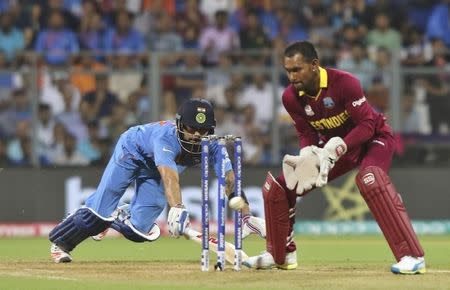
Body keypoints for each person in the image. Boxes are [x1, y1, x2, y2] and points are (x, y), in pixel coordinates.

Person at [243, 41, 425, 274]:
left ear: (314, 65)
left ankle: (411, 256)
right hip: (332, 149)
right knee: (279, 187)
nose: (292, 76)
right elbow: (305, 132)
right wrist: (308, 153)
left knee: (370, 179)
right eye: (288, 71)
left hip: (373, 138)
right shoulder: (290, 97)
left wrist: (337, 149)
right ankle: (281, 254)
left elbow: (367, 125)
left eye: (297, 69)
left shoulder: (345, 83)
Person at [49, 98, 265, 263]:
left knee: (139, 232)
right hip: (131, 152)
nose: (197, 135)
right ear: (180, 124)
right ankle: (61, 243)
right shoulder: (166, 138)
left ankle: (118, 215)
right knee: (96, 215)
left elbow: (229, 180)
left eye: (203, 130)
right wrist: (178, 208)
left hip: (156, 169)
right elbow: (170, 177)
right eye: (192, 128)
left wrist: (246, 215)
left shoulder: (215, 146)